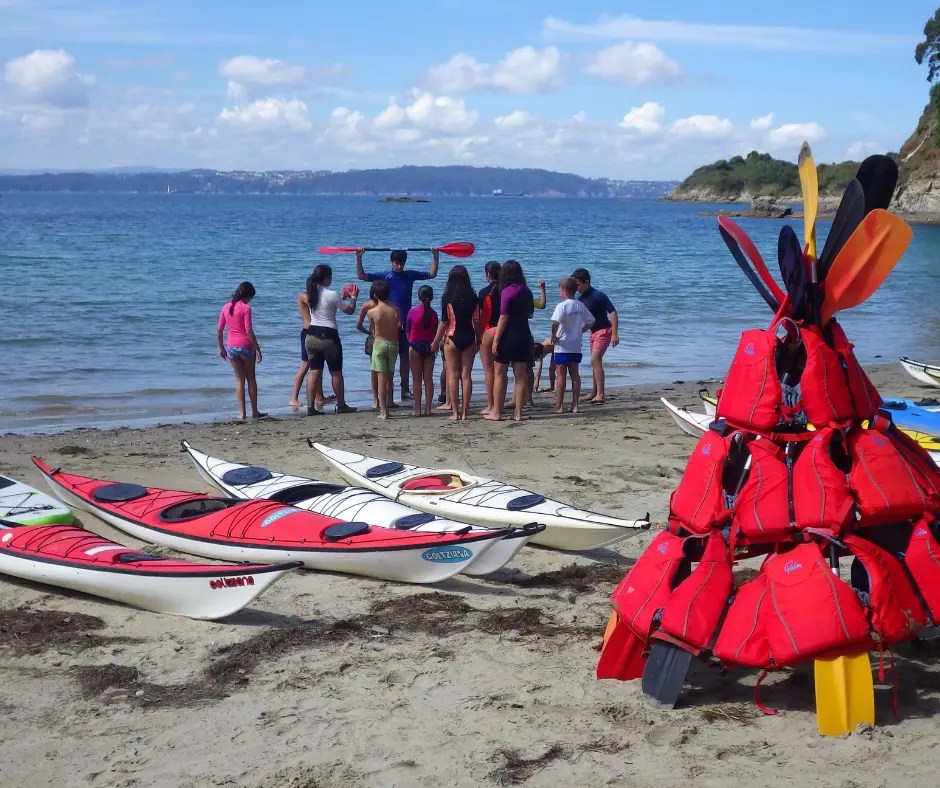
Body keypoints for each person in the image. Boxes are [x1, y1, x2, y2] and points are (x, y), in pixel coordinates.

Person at [357, 247, 440, 401]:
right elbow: (361, 276)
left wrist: (435, 256)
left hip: (407, 323)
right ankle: (387, 394)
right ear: (392, 262)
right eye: (397, 263)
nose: (399, 266)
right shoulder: (385, 276)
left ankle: (405, 389)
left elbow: (432, 274)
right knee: (388, 360)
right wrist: (359, 257)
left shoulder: (409, 275)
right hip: (390, 325)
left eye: (402, 263)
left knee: (405, 357)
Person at [304, 264, 358, 415]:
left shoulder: (310, 293)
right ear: (327, 278)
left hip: (311, 336)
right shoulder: (332, 294)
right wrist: (353, 297)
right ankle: (341, 405)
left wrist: (342, 298)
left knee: (314, 372)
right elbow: (349, 310)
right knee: (336, 373)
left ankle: (310, 407)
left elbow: (325, 304)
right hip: (329, 336)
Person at [432, 265, 479, 421]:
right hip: (469, 337)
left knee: (453, 375)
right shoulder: (473, 296)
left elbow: (444, 322)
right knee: (466, 376)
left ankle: (455, 413)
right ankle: (465, 413)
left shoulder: (447, 297)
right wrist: (478, 338)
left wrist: (435, 340)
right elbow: (476, 321)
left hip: (452, 337)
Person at [489, 260, 534, 422]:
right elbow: (530, 315)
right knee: (520, 376)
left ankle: (496, 412)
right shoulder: (527, 291)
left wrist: (496, 340)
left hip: (508, 336)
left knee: (500, 374)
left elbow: (503, 317)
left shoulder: (507, 291)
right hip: (524, 335)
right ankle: (518, 414)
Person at [216, 281, 266, 422]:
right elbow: (248, 331)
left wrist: (221, 348)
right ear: (248, 296)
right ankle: (255, 411)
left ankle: (242, 414)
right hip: (245, 346)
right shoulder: (246, 308)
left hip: (231, 347)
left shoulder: (226, 307)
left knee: (239, 380)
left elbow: (219, 330)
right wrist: (257, 348)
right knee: (251, 378)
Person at [571, 267, 619, 405]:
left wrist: (615, 333)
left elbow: (613, 312)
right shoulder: (580, 299)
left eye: (578, 284)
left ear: (586, 282)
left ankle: (601, 394)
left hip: (605, 330)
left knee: (594, 359)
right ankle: (594, 392)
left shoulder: (598, 295)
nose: (577, 288)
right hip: (593, 332)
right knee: (594, 362)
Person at [549, 277, 595, 413]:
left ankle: (559, 406)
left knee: (561, 375)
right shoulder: (580, 305)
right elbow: (591, 321)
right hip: (575, 345)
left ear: (563, 290)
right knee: (575, 374)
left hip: (563, 345)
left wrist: (553, 336)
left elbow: (555, 323)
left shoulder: (562, 306)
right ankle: (575, 405)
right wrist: (581, 330)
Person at [366, 280, 400, 420]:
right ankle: (388, 406)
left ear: (375, 294)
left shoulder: (372, 312)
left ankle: (384, 411)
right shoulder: (395, 309)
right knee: (389, 379)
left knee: (381, 378)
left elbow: (372, 330)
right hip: (393, 345)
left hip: (379, 344)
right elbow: (398, 326)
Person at [406, 285, 438, 417]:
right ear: (431, 297)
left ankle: (417, 409)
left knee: (416, 380)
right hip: (429, 346)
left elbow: (407, 330)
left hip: (415, 346)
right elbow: (435, 331)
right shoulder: (434, 314)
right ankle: (428, 409)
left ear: (419, 297)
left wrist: (411, 342)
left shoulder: (412, 312)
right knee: (428, 379)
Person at [478, 261, 501, 417]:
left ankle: (491, 405)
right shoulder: (506, 290)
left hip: (488, 330)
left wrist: (478, 335)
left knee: (489, 371)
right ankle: (499, 405)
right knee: (501, 372)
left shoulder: (484, 292)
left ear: (487, 275)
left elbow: (480, 317)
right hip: (504, 331)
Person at [356, 283, 380, 410]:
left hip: (373, 338)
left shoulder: (367, 305)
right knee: (386, 371)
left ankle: (375, 400)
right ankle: (387, 398)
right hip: (386, 337)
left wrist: (369, 332)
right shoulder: (388, 305)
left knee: (374, 370)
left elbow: (358, 325)